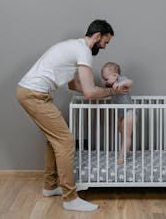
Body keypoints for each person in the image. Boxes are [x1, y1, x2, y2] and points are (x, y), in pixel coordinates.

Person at [16, 19, 128, 212]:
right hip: (34, 94)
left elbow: (73, 85)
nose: (104, 47)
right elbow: (89, 92)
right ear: (97, 36)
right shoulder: (83, 51)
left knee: (55, 140)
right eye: (105, 42)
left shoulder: (73, 46)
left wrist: (95, 90)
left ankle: (50, 187)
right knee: (66, 141)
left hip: (32, 92)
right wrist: (112, 92)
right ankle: (70, 198)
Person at [100, 62, 134, 165]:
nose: (105, 81)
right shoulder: (111, 85)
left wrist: (121, 84)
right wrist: (107, 83)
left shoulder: (122, 80)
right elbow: (103, 88)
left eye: (106, 79)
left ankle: (121, 157)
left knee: (126, 135)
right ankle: (126, 150)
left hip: (129, 111)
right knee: (122, 132)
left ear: (115, 75)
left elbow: (130, 82)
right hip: (120, 112)